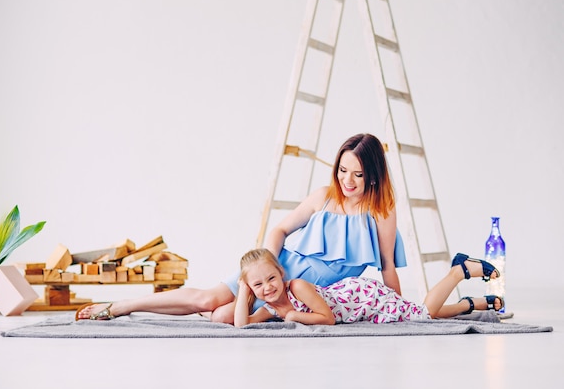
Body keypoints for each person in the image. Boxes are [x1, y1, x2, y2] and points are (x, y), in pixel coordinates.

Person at [76, 133, 408, 323]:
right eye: (342, 170)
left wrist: (401, 310)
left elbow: (388, 265)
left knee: (222, 318)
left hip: (305, 294)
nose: (347, 181)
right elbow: (279, 230)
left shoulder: (381, 211)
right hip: (277, 273)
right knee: (208, 299)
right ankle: (124, 306)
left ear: (374, 175)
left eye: (358, 174)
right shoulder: (323, 196)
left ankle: (179, 310)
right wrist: (265, 270)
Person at [233, 248, 504, 327]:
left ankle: (458, 271)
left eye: (271, 279)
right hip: (360, 307)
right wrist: (244, 290)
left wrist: (294, 316)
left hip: (364, 297)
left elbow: (326, 319)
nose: (268, 288)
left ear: (281, 273)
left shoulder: (298, 288)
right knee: (415, 313)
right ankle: (473, 303)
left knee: (423, 313)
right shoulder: (271, 307)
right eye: (258, 284)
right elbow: (242, 326)